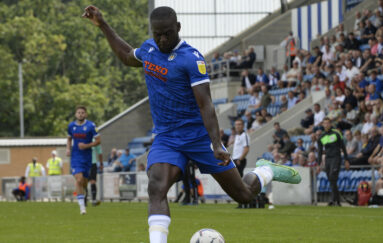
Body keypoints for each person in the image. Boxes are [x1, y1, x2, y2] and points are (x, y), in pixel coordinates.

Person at [83, 6, 300, 243]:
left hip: (199, 138)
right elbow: (126, 55)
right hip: (167, 138)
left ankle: (266, 170)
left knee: (245, 195)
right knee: (156, 186)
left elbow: (206, 105)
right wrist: (103, 24)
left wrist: (216, 144)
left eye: (167, 33)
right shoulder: (149, 49)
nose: (163, 39)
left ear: (178, 27)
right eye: (158, 34)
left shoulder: (191, 59)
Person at [66, 105, 100, 215]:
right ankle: (82, 207)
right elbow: (69, 138)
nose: (80, 114)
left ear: (85, 114)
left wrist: (86, 145)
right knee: (79, 180)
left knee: (84, 182)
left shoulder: (91, 126)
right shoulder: (71, 126)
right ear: (76, 114)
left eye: (82, 112)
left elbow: (98, 141)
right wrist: (68, 148)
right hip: (76, 157)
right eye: (78, 112)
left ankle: (84, 193)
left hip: (87, 157)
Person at [317, 118, 349, 206]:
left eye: (328, 123)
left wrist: (346, 160)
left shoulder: (336, 133)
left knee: (332, 176)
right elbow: (319, 152)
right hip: (327, 159)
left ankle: (333, 199)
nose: (326, 125)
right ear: (323, 125)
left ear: (330, 124)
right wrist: (318, 164)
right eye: (325, 123)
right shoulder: (321, 137)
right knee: (331, 179)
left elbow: (343, 147)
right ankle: (337, 200)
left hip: (336, 158)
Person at [90, 138, 103, 206]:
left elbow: (100, 153)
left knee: (93, 181)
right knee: (84, 182)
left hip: (93, 163)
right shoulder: (83, 139)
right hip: (84, 163)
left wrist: (101, 164)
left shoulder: (96, 141)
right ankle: (84, 200)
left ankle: (94, 200)